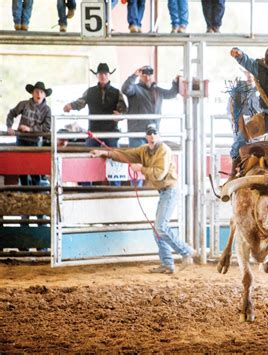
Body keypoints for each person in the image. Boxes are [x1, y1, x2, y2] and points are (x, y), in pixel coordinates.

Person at [91, 124, 194, 274]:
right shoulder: (143, 150)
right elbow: (125, 154)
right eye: (149, 133)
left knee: (160, 227)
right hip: (165, 190)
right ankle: (167, 263)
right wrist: (104, 153)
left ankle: (186, 252)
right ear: (146, 136)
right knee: (158, 228)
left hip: (170, 189)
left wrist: (141, 169)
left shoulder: (164, 150)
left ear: (158, 136)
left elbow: (159, 174)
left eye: (154, 133)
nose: (152, 136)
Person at [64, 63, 126, 185]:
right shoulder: (90, 92)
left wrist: (120, 115)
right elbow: (80, 102)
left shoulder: (116, 92)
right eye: (100, 74)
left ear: (108, 75)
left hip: (111, 131)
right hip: (94, 132)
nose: (103, 76)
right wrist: (71, 106)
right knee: (87, 156)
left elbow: (123, 109)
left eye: (105, 74)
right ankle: (86, 186)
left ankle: (115, 187)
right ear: (97, 76)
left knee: (115, 157)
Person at [6, 81, 52, 187]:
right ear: (32, 93)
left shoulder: (47, 110)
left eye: (41, 92)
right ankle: (24, 189)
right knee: (22, 166)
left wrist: (30, 129)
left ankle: (35, 190)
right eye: (36, 92)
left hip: (35, 141)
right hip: (21, 139)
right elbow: (11, 114)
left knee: (35, 166)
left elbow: (46, 127)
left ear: (45, 95)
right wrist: (9, 127)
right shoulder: (24, 104)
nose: (39, 94)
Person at [121, 66, 179, 148]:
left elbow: (171, 94)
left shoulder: (158, 90)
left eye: (149, 75)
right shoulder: (134, 89)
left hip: (153, 133)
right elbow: (125, 89)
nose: (147, 77)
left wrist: (176, 82)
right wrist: (134, 75)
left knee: (152, 159)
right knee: (137, 158)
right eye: (144, 75)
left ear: (153, 75)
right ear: (140, 76)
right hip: (137, 134)